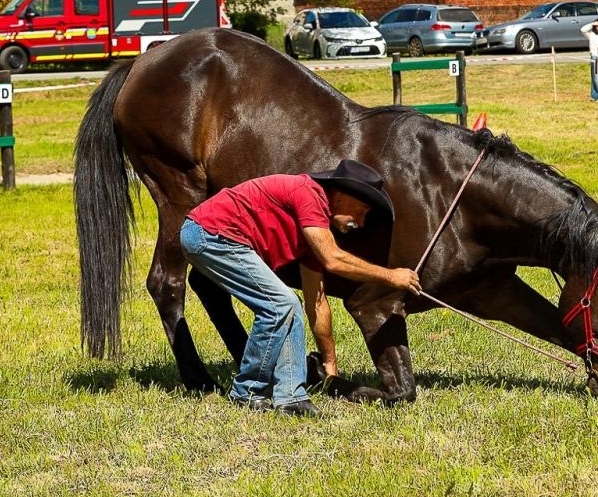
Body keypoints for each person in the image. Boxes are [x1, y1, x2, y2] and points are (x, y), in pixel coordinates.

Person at [180, 161, 421, 416]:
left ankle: (291, 396)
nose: (360, 223)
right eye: (361, 211)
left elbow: (316, 303)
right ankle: (247, 390)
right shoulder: (310, 193)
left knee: (289, 305)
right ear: (341, 194)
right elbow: (333, 259)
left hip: (217, 237)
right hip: (209, 234)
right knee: (280, 304)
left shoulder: (314, 232)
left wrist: (330, 363)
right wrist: (391, 276)